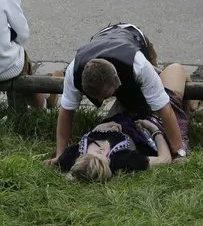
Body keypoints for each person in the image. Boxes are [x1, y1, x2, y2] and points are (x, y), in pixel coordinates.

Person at [43, 23, 189, 167]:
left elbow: (165, 108)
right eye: (99, 98)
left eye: (109, 95)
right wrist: (59, 154)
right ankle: (166, 80)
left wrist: (178, 151)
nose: (103, 100)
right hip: (103, 38)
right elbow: (66, 112)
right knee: (147, 94)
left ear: (118, 82)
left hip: (134, 37)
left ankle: (184, 92)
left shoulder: (139, 65)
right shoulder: (73, 72)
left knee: (167, 82)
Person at [56, 63, 192, 182]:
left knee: (143, 74)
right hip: (152, 118)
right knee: (176, 69)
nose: (100, 149)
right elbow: (164, 159)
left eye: (94, 152)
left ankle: (159, 77)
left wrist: (100, 127)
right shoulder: (121, 160)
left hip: (125, 109)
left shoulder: (71, 157)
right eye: (102, 155)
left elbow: (60, 161)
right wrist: (155, 131)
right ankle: (192, 106)